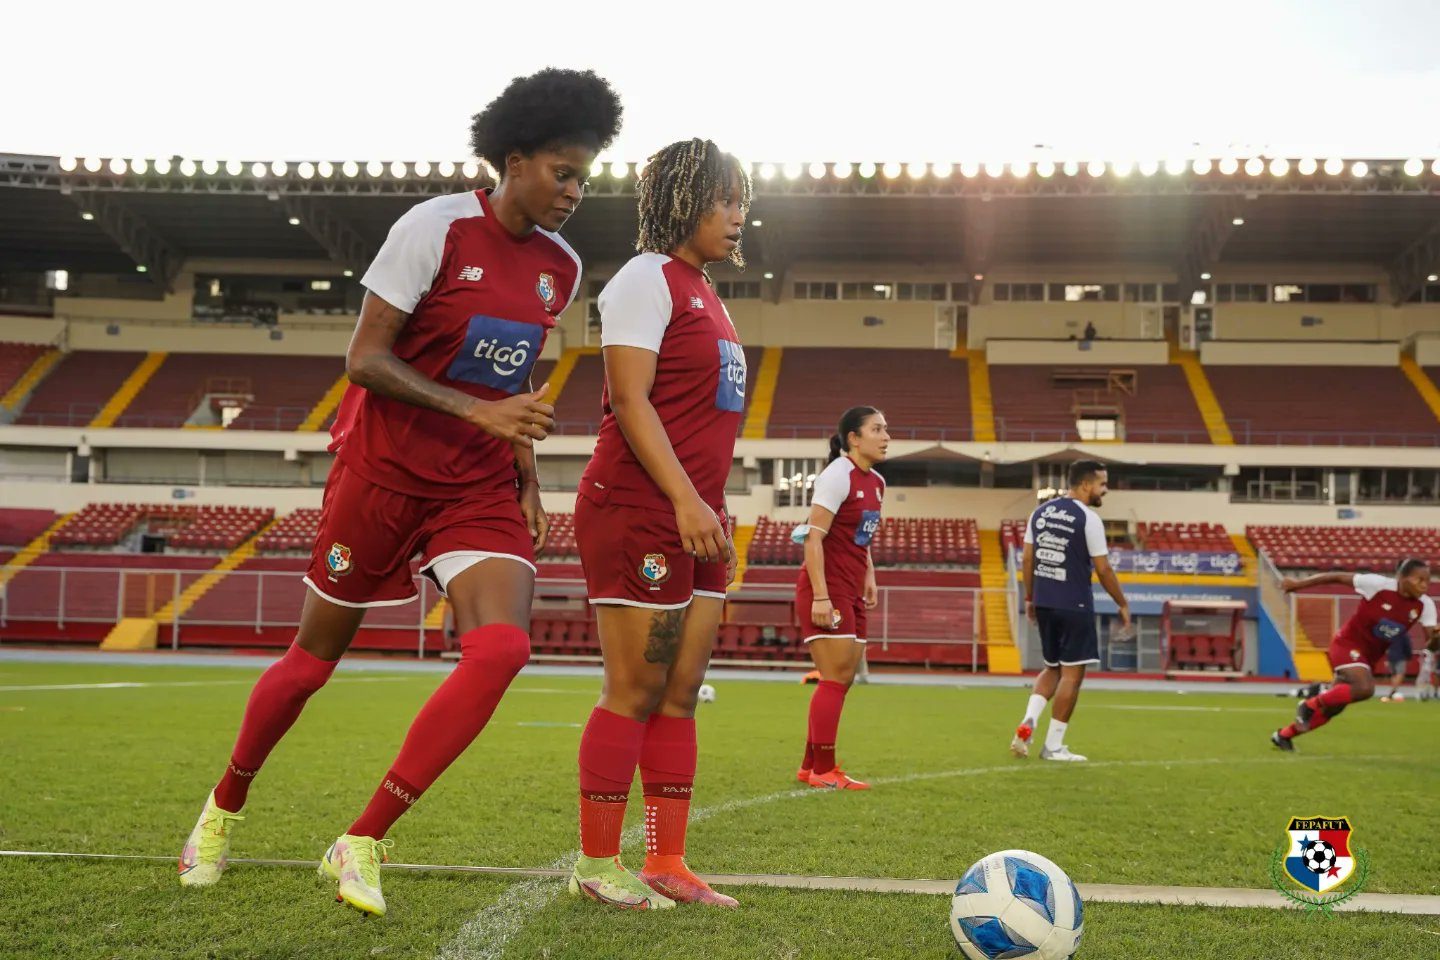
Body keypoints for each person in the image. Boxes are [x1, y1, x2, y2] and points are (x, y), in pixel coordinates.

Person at [177, 69, 623, 918]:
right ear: (513, 159)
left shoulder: (560, 269)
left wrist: (524, 469)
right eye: (562, 171)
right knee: (311, 664)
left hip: (476, 488)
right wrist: (479, 410)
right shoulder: (434, 227)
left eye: (584, 176)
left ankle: (365, 836)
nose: (574, 190)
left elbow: (514, 368)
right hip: (379, 476)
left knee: (501, 651)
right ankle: (220, 811)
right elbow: (365, 360)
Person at [570, 138, 750, 910]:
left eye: (744, 202)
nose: (740, 218)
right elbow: (631, 401)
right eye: (727, 201)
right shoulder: (646, 280)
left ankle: (666, 860)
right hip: (642, 508)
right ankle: (595, 863)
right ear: (685, 202)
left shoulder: (705, 289)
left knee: (681, 691)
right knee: (633, 689)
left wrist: (711, 506)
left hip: (696, 514)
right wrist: (684, 500)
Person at [793, 406, 889, 790]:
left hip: (852, 588)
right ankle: (824, 770)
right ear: (854, 437)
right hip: (827, 589)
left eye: (886, 430)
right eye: (877, 429)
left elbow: (861, 537)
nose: (885, 437)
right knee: (834, 678)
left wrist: (870, 575)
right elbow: (812, 537)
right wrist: (821, 597)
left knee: (842, 679)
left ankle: (809, 765)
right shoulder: (837, 476)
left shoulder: (878, 481)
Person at [1011, 460, 1130, 762]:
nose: (1106, 489)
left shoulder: (1040, 512)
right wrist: (1122, 602)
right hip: (1074, 602)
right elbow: (1103, 569)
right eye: (1102, 483)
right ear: (1087, 484)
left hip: (1045, 600)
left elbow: (1027, 559)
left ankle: (1030, 720)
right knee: (1073, 674)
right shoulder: (1088, 519)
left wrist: (1030, 597)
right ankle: (1053, 746)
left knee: (1052, 667)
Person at [1272, 559, 1438, 750]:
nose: (1425, 586)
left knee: (1333, 709)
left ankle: (1283, 735)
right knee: (1365, 688)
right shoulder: (1378, 585)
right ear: (1402, 577)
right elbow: (1336, 576)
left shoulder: (1425, 606)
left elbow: (1431, 644)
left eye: (1428, 581)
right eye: (1419, 580)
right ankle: (1308, 705)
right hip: (1346, 644)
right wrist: (1298, 585)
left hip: (1368, 658)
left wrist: (1436, 639)